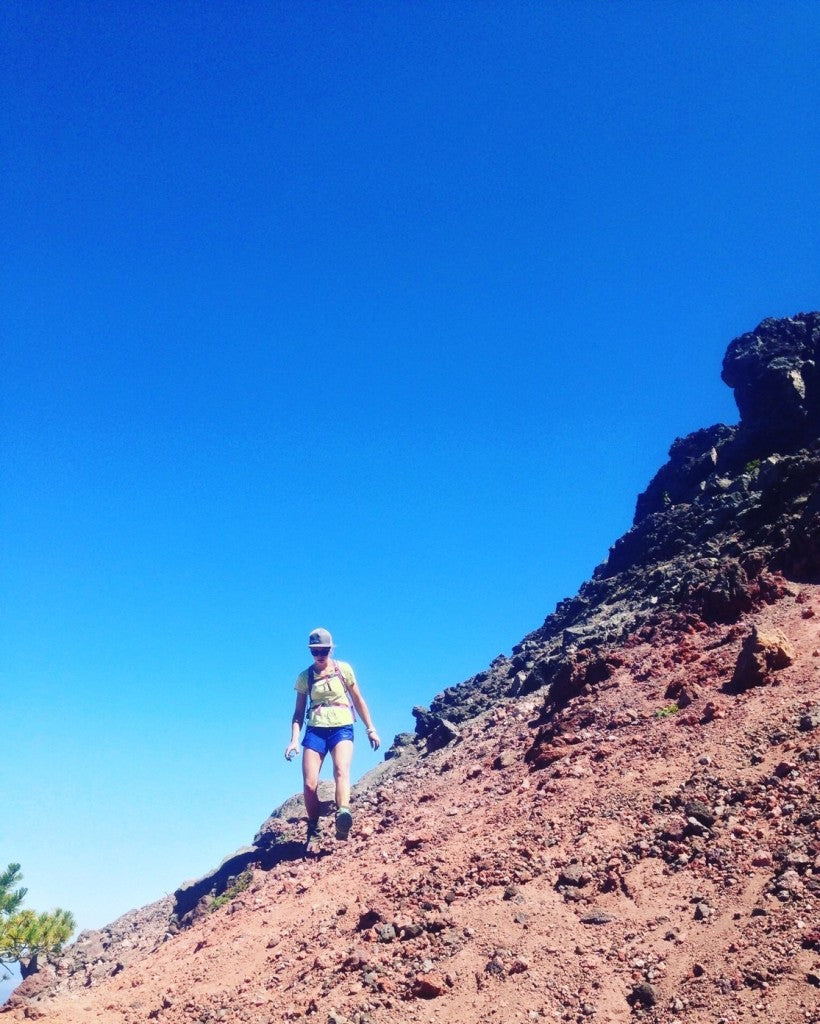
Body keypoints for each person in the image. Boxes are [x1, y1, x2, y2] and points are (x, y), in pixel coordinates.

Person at [284, 627, 380, 843]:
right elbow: (298, 713)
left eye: (324, 650)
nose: (319, 655)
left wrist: (370, 728)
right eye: (315, 651)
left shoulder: (343, 669)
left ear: (331, 649)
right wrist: (294, 741)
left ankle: (343, 814)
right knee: (309, 784)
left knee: (340, 770)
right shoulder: (304, 677)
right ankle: (314, 826)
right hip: (315, 730)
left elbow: (358, 699)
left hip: (342, 726)